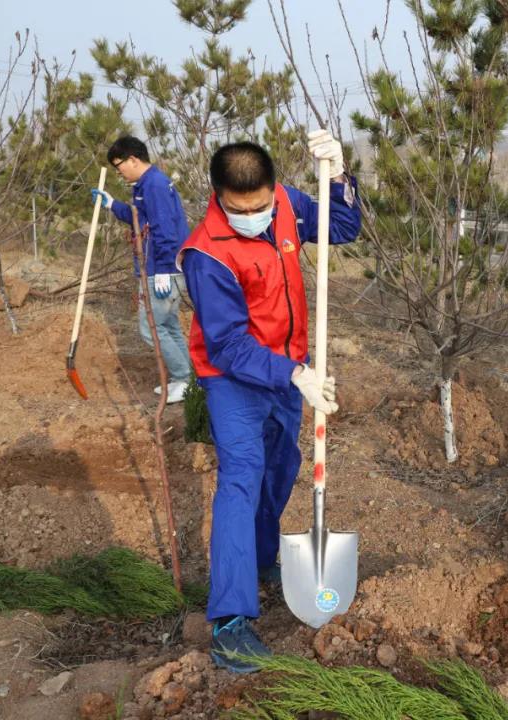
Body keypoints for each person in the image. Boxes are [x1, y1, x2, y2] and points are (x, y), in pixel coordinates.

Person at [178, 131, 359, 671]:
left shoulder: (284, 204)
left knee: (283, 466)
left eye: (262, 205)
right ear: (218, 197)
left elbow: (342, 228)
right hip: (233, 377)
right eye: (241, 210)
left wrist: (338, 179)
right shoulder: (206, 254)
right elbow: (228, 344)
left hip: (288, 369)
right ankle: (231, 621)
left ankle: (261, 558)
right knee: (242, 475)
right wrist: (294, 374)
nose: (255, 216)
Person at [91, 136, 193, 403]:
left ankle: (185, 379)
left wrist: (161, 269)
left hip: (162, 270)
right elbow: (140, 220)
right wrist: (111, 204)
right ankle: (187, 379)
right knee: (167, 325)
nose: (119, 171)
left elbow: (165, 231)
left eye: (119, 165)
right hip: (159, 267)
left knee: (151, 329)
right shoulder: (145, 185)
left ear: (133, 159)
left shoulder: (155, 185)